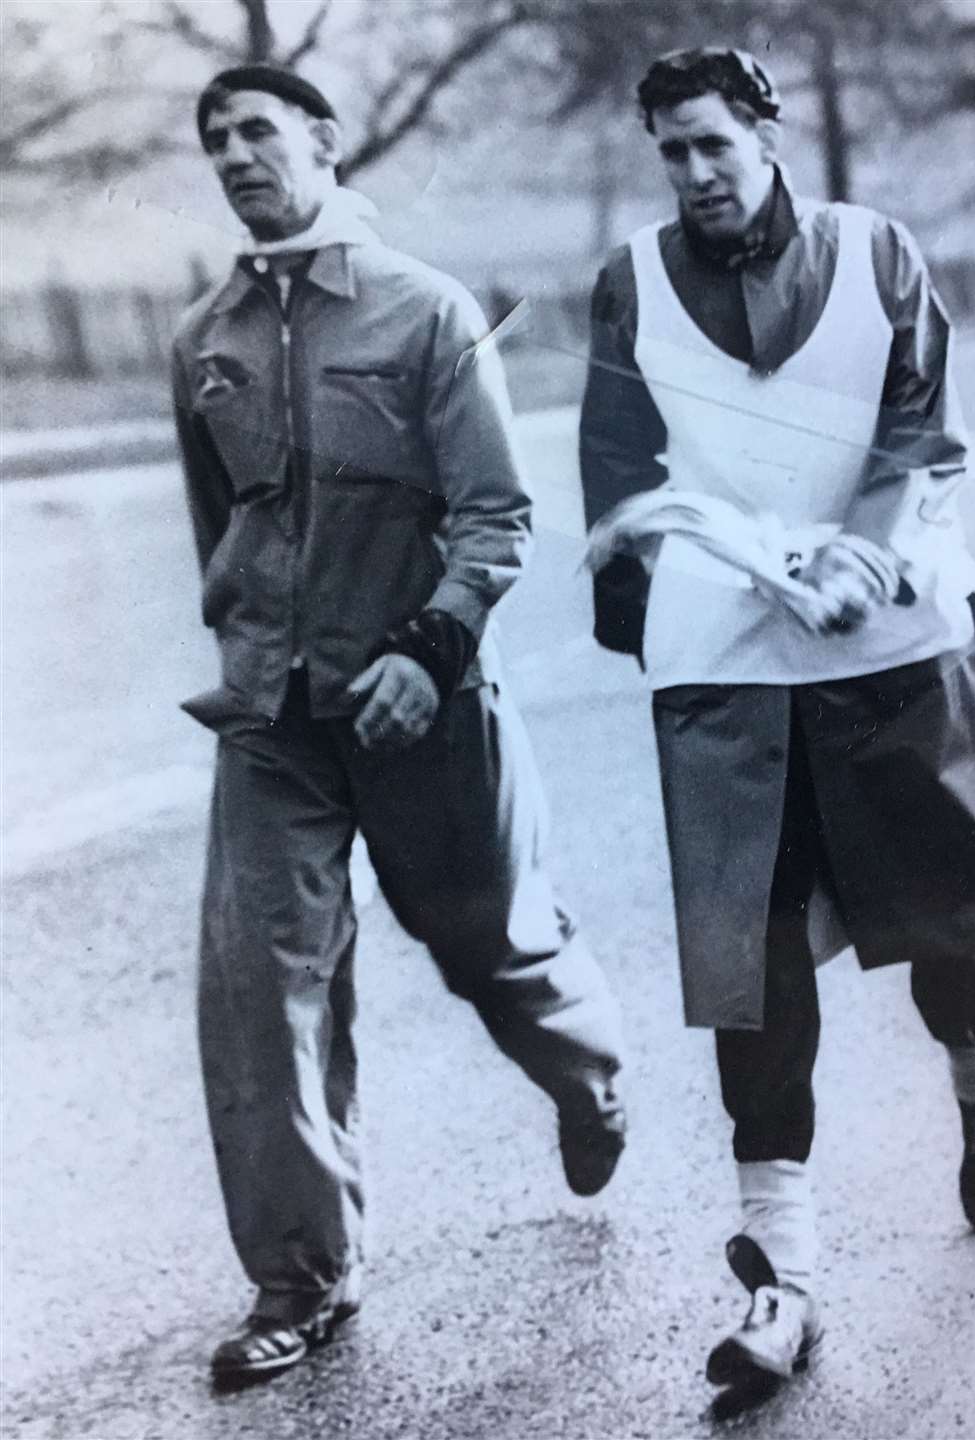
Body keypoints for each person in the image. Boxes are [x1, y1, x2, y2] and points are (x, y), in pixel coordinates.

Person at [578, 45, 975, 1414]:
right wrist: (654, 601)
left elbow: (920, 430)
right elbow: (616, 470)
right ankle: (783, 1275)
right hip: (732, 661)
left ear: (765, 136)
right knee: (750, 957)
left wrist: (860, 558)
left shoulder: (874, 253)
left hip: (893, 636)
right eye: (670, 153)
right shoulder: (630, 280)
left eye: (711, 149)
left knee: (950, 924)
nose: (692, 177)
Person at [172, 63, 627, 1385]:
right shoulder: (208, 338)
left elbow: (496, 514)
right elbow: (226, 531)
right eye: (217, 141)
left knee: (493, 944)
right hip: (273, 718)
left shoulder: (425, 313)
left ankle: (591, 1076)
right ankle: (301, 1277)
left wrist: (432, 648)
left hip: (421, 700)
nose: (237, 155)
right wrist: (250, 651)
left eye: (259, 130)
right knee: (262, 997)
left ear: (321, 141)